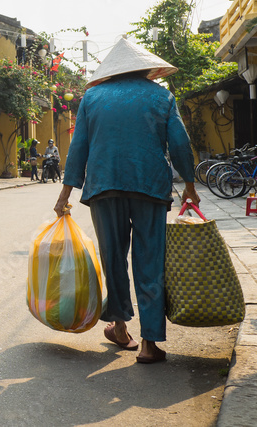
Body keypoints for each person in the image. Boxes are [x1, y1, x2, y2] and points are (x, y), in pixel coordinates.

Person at [53, 37, 198, 365]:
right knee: (150, 262)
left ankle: (119, 327)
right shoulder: (161, 96)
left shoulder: (92, 98)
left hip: (104, 187)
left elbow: (79, 149)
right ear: (148, 68)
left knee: (113, 259)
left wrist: (65, 194)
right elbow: (179, 143)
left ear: (111, 71)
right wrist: (189, 185)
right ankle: (149, 344)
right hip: (150, 187)